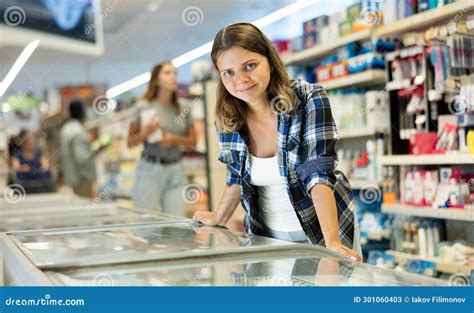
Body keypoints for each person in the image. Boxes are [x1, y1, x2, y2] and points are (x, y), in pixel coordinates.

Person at [193, 23, 361, 261]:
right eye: (228, 72)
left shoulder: (308, 98)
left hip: (321, 233)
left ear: (270, 61)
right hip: (267, 239)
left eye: (249, 66)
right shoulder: (228, 118)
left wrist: (332, 243)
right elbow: (236, 177)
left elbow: (318, 171)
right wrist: (219, 217)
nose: (240, 79)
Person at [128, 61, 197, 215]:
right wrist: (145, 132)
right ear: (156, 80)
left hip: (175, 169)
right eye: (167, 73)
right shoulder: (143, 107)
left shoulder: (184, 107)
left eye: (175, 73)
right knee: (144, 222)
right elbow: (130, 143)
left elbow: (193, 142)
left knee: (177, 224)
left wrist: (175, 139)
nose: (173, 76)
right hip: (149, 170)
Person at [60, 100, 97, 198]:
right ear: (81, 112)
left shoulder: (66, 128)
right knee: (85, 207)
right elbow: (82, 158)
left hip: (72, 177)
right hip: (82, 179)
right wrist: (97, 150)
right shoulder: (78, 131)